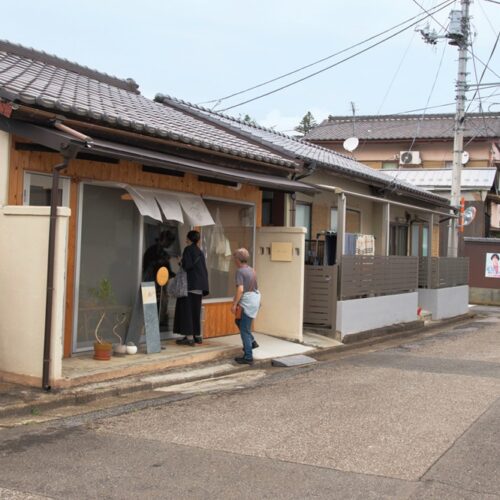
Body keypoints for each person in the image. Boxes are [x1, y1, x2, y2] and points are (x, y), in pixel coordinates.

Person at [174, 230, 209, 346]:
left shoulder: (188, 249)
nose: (185, 240)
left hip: (190, 285)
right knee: (195, 311)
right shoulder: (200, 251)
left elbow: (187, 266)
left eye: (186, 238)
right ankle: (196, 335)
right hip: (199, 286)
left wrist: (180, 262)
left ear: (189, 239)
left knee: (187, 311)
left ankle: (189, 338)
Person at [231, 248, 261, 365]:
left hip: (247, 302)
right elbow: (255, 287)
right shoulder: (252, 270)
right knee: (240, 322)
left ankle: (248, 357)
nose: (234, 260)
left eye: (234, 258)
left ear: (238, 260)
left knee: (244, 329)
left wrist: (234, 304)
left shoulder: (240, 271)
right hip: (254, 300)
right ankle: (252, 341)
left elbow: (240, 289)